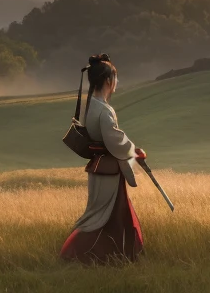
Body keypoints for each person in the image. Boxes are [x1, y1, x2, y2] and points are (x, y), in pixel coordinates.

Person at [59, 54, 145, 264]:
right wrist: (134, 151)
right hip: (108, 168)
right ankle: (78, 255)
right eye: (115, 78)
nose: (117, 83)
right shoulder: (103, 109)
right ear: (108, 80)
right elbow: (114, 138)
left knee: (106, 213)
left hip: (101, 166)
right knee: (103, 215)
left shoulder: (92, 106)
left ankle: (114, 257)